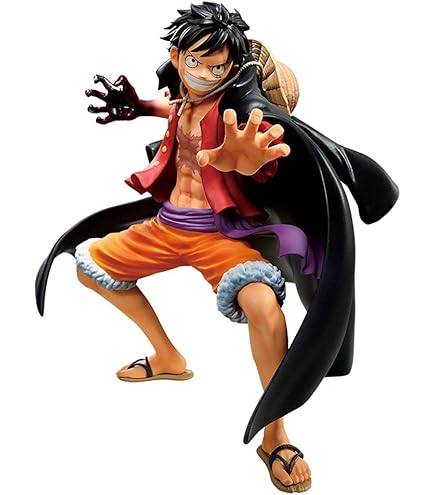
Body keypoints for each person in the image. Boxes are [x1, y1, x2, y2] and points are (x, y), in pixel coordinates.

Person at [36, 2, 399, 492]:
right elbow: (176, 112)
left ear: (233, 67)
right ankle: (167, 356)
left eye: (217, 67)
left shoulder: (239, 114)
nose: (205, 75)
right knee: (89, 267)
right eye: (196, 62)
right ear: (176, 56)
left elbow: (264, 151)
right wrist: (139, 107)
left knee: (264, 306)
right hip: (166, 227)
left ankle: (276, 435)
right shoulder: (185, 102)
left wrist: (245, 162)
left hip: (218, 236)